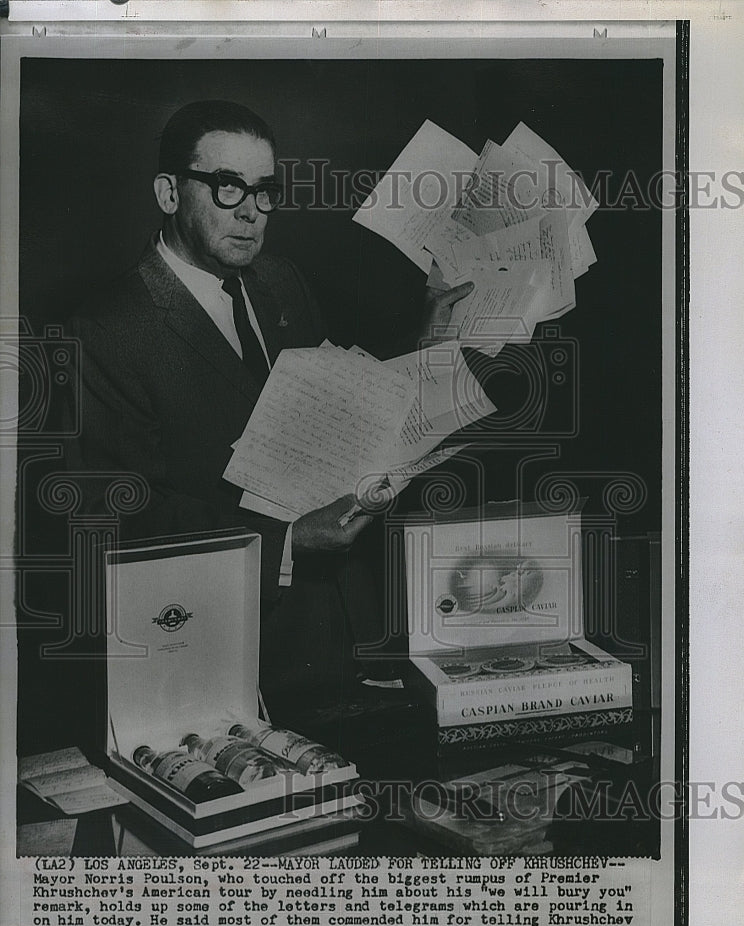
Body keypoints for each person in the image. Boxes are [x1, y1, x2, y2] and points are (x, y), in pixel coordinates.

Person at [64, 100, 469, 721]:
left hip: (345, 643)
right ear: (169, 193)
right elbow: (122, 515)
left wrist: (427, 351)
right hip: (223, 666)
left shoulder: (281, 282)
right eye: (227, 187)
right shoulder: (106, 329)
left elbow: (337, 409)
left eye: (265, 191)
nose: (252, 211)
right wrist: (286, 541)